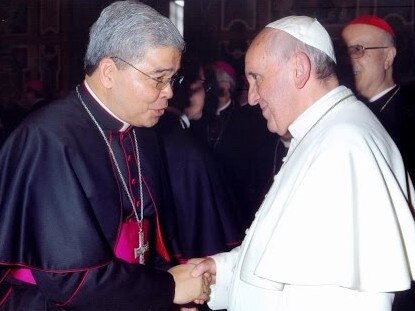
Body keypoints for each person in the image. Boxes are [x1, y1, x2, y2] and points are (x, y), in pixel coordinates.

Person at [191, 15, 415, 311]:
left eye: (257, 77)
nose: (253, 97)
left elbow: (350, 299)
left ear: (299, 69)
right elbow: (291, 260)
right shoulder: (324, 131)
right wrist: (219, 269)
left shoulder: (343, 146)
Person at [0, 1, 209, 310]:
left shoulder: (143, 131)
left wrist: (170, 287)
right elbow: (68, 280)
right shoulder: (49, 141)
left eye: (172, 79)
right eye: (158, 77)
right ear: (110, 72)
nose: (169, 92)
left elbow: (148, 240)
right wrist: (167, 289)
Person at [156, 53, 242, 259]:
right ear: (187, 88)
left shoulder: (156, 135)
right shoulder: (192, 152)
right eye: (204, 84)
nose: (207, 93)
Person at [341, 15, 415, 182]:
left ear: (388, 57)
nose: (350, 60)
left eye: (358, 49)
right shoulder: (343, 109)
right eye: (346, 52)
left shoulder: (410, 116)